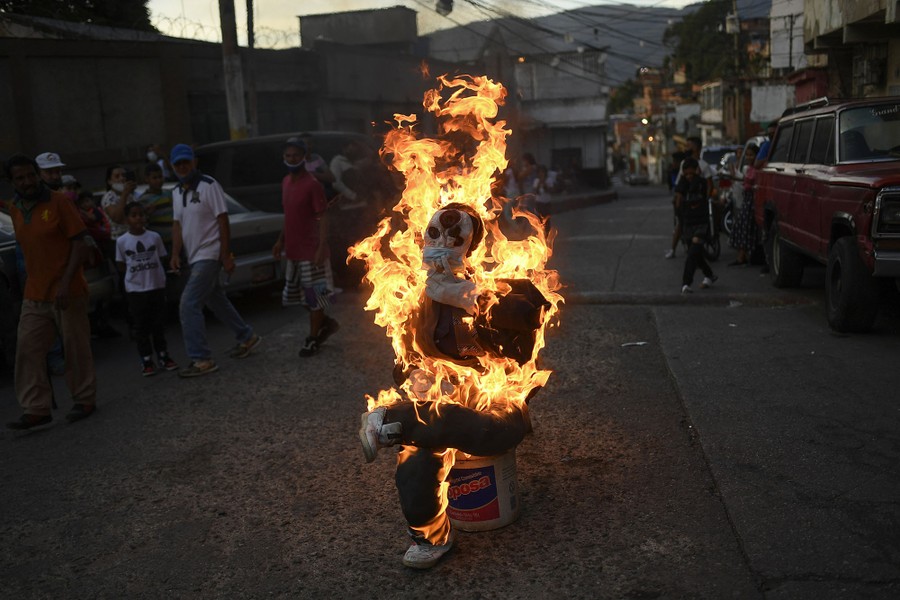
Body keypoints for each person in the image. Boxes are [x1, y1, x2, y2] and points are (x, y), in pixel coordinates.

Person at [358, 203, 548, 569]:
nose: (442, 242)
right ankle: (430, 538)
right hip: (440, 403)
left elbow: (528, 321)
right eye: (434, 234)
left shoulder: (498, 291)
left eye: (454, 236)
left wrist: (472, 296)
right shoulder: (420, 302)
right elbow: (403, 364)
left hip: (495, 403)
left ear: (472, 245)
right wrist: (419, 375)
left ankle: (386, 419)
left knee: (477, 427)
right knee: (416, 455)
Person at [4, 154, 97, 429]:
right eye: (20, 178)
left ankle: (85, 399)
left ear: (38, 174)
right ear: (12, 182)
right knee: (28, 348)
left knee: (75, 348)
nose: (27, 181)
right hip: (35, 293)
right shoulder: (15, 208)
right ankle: (36, 408)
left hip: (67, 291)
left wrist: (66, 283)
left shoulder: (59, 202)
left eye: (31, 175)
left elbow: (80, 244)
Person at [168, 143, 261, 377]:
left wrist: (225, 255)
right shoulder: (176, 192)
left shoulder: (209, 186)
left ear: (194, 162)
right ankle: (246, 336)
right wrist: (175, 253)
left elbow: (223, 220)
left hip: (209, 255)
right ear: (172, 166)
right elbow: (177, 225)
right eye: (178, 164)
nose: (182, 167)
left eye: (186, 162)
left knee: (188, 304)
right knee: (214, 299)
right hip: (194, 255)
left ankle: (202, 359)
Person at [272, 137, 339, 357]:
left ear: (303, 157)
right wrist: (280, 240)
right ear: (284, 158)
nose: (292, 159)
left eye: (296, 155)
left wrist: (321, 247)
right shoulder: (285, 182)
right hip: (293, 252)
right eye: (288, 156)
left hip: (312, 253)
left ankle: (312, 339)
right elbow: (288, 216)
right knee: (296, 296)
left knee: (315, 297)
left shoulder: (312, 184)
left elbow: (324, 217)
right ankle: (326, 323)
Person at [116, 202, 178, 376]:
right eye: (134, 215)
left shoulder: (154, 237)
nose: (138, 218)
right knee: (141, 327)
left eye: (141, 214)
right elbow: (121, 265)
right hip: (136, 291)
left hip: (156, 286)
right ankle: (146, 359)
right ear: (127, 219)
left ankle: (164, 356)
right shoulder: (122, 241)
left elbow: (162, 258)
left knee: (158, 324)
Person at [665, 137, 714, 259]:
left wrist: (706, 199)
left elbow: (709, 185)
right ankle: (673, 249)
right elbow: (680, 184)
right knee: (681, 224)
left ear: (696, 148)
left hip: (699, 202)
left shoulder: (704, 166)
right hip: (686, 201)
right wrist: (677, 199)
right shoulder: (684, 164)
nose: (686, 148)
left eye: (688, 146)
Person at [674, 157, 717, 294]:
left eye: (691, 174)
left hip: (701, 223)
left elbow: (708, 191)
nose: (689, 177)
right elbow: (678, 199)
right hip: (688, 223)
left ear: (697, 171)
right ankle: (709, 275)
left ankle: (686, 283)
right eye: (686, 174)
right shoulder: (683, 183)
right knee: (696, 253)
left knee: (692, 253)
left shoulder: (701, 183)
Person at [728, 144, 760, 267]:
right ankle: (742, 256)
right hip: (746, 199)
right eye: (747, 155)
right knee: (740, 226)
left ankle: (743, 256)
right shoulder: (748, 168)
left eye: (751, 155)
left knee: (745, 227)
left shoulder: (758, 169)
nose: (748, 157)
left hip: (752, 200)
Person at [137, 162, 175, 251]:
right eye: (154, 178)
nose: (158, 180)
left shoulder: (169, 194)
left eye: (160, 177)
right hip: (158, 242)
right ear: (147, 179)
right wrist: (147, 214)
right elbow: (141, 222)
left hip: (174, 239)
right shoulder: (144, 200)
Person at [100, 164, 137, 241]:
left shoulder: (130, 195)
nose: (122, 178)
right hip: (120, 240)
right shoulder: (109, 197)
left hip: (134, 237)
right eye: (117, 176)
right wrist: (124, 195)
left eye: (123, 175)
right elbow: (117, 218)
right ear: (109, 181)